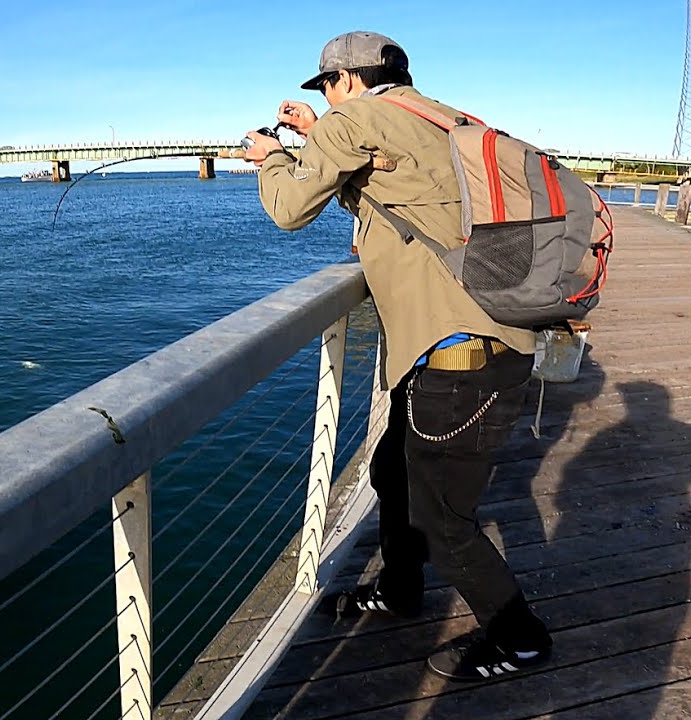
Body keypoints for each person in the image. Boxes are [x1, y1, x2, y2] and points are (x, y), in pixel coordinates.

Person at [241, 31, 552, 682]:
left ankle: (520, 638)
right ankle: (399, 588)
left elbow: (291, 207)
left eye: (326, 85)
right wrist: (320, 133)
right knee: (390, 469)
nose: (326, 98)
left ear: (347, 80)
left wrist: (274, 158)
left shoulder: (353, 119)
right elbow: (394, 191)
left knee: (443, 518)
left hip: (460, 354)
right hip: (491, 339)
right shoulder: (443, 117)